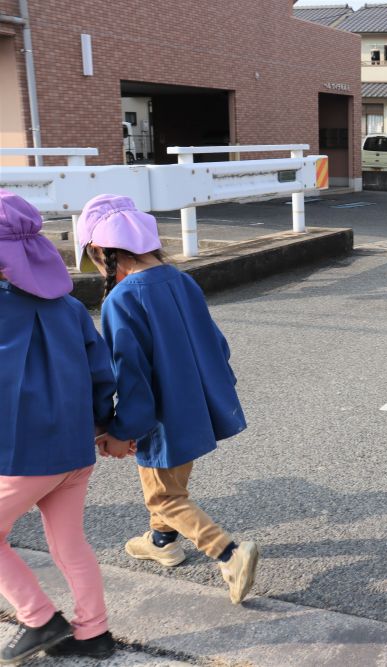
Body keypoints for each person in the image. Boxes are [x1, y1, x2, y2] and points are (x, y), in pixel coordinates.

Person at [76, 194, 260, 605]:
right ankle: (162, 543)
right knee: (170, 482)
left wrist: (122, 429)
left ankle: (228, 553)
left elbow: (131, 375)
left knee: (164, 495)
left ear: (101, 250)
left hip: (159, 416)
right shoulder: (181, 279)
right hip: (197, 405)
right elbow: (217, 343)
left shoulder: (122, 299)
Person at [0, 190, 119, 664]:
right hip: (75, 450)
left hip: (24, 455)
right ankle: (94, 632)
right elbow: (102, 373)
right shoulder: (70, 307)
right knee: (69, 543)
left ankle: (40, 619)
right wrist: (104, 426)